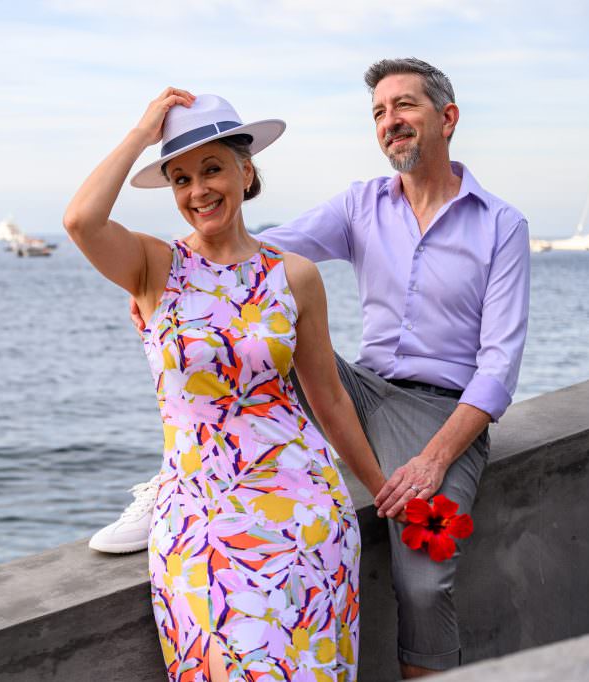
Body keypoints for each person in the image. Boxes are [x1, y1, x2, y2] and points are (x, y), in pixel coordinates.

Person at [95, 59, 530, 678]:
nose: (390, 121)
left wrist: (433, 459)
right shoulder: (360, 204)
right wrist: (180, 280)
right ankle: (178, 481)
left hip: (441, 410)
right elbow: (257, 263)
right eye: (379, 112)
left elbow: (499, 367)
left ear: (447, 118)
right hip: (364, 389)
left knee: (425, 584)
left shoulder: (502, 225)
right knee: (258, 330)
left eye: (404, 106)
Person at [65, 89, 389, 681]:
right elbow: (81, 220)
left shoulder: (294, 275)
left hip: (305, 512)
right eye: (180, 179)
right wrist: (142, 134)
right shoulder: (153, 266)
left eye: (212, 169)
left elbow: (329, 396)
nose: (198, 191)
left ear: (246, 171)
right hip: (200, 519)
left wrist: (381, 489)